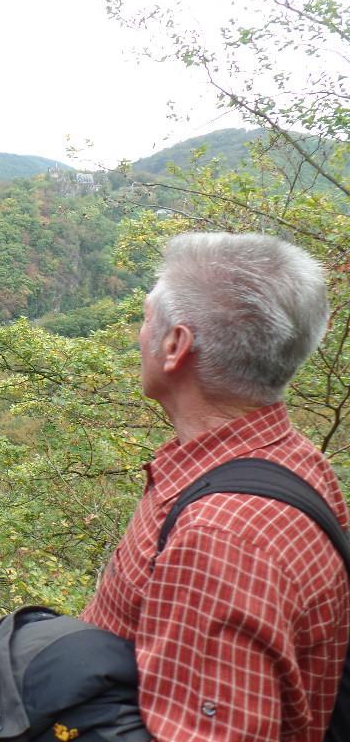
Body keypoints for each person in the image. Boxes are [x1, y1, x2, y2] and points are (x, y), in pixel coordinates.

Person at [81, 232, 348, 741]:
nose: (139, 335)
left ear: (175, 345)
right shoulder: (294, 461)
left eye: (145, 318)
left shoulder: (221, 538)